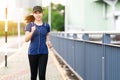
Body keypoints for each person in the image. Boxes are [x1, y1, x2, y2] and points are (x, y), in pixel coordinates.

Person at [25, 5, 52, 80]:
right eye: (36, 13)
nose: (38, 14)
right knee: (33, 76)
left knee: (42, 76)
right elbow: (26, 39)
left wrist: (48, 42)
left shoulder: (46, 25)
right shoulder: (29, 25)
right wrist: (32, 31)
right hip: (32, 53)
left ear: (42, 13)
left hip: (44, 52)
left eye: (39, 12)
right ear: (33, 14)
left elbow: (47, 34)